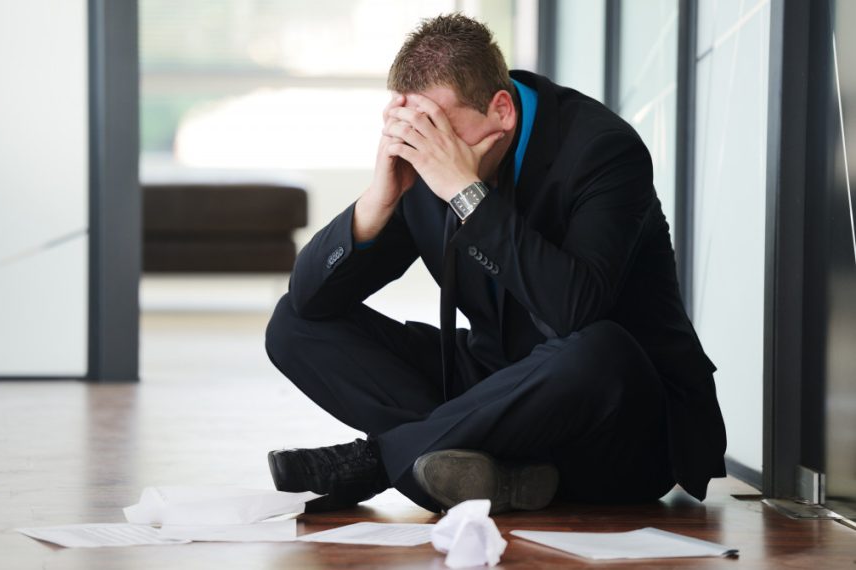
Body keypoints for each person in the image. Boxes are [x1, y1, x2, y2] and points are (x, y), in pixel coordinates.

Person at [264, 13, 726, 514]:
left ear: (501, 110)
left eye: (439, 127)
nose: (427, 144)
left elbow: (574, 310)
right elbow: (311, 299)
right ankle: (494, 472)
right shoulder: (424, 163)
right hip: (498, 386)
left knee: (600, 348)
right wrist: (376, 203)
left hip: (615, 417)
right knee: (293, 324)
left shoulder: (603, 150)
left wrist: (468, 195)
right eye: (415, 127)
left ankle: (381, 462)